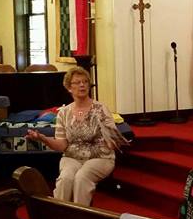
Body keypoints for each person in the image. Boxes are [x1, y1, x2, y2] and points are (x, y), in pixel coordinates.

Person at [26, 66, 127, 206]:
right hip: (72, 157)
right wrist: (42, 138)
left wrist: (113, 141)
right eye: (77, 82)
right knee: (65, 179)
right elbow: (61, 145)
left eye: (85, 82)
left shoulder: (100, 109)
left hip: (99, 157)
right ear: (69, 87)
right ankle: (58, 216)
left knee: (82, 178)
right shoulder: (64, 112)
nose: (82, 85)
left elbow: (112, 140)